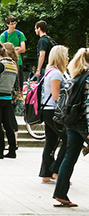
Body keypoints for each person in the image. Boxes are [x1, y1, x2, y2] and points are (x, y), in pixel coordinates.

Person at [52, 48, 89, 207]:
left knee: (69, 157)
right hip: (84, 123)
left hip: (71, 122)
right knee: (69, 157)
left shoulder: (75, 78)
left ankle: (60, 194)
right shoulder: (88, 79)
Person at [39, 45, 69, 183]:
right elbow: (57, 95)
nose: (68, 58)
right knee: (68, 140)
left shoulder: (49, 71)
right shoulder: (56, 73)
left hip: (47, 110)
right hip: (54, 111)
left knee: (50, 141)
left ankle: (46, 173)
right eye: (66, 55)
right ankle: (57, 170)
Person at [0, 42, 18, 159]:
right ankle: (12, 150)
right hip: (8, 96)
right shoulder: (13, 64)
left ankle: (0, 150)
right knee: (8, 125)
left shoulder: (0, 65)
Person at [0, 15, 26, 81]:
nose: (14, 26)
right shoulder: (3, 36)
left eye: (15, 24)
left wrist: (11, 48)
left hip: (18, 61)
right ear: (7, 24)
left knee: (20, 82)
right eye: (11, 24)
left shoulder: (20, 34)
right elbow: (4, 51)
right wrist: (17, 48)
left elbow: (23, 49)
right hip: (8, 63)